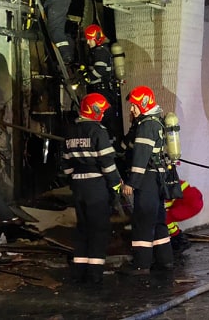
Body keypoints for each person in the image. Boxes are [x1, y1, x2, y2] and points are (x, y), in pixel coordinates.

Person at [61, 93, 122, 284]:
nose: (103, 114)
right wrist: (116, 185)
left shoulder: (71, 131)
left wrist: (73, 180)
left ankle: (79, 271)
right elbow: (107, 162)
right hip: (96, 186)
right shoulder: (98, 131)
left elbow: (65, 163)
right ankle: (94, 274)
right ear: (93, 110)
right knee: (98, 229)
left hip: (78, 186)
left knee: (83, 228)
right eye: (101, 110)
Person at [120, 85, 174, 275]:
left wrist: (131, 182)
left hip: (147, 179)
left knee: (143, 221)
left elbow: (140, 157)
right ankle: (165, 260)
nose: (131, 109)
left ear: (143, 104)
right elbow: (126, 146)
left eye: (134, 105)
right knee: (158, 220)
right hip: (157, 178)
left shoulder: (146, 126)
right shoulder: (155, 121)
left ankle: (141, 265)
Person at [81, 24, 117, 139]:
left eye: (89, 39)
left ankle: (106, 141)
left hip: (102, 92)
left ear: (96, 38)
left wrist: (87, 78)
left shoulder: (100, 52)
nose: (88, 42)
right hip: (102, 91)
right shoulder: (98, 51)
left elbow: (100, 70)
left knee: (102, 120)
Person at [166, 179, 204, 254]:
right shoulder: (168, 178)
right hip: (193, 198)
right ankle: (178, 239)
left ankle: (180, 241)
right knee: (169, 216)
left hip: (190, 204)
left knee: (165, 217)